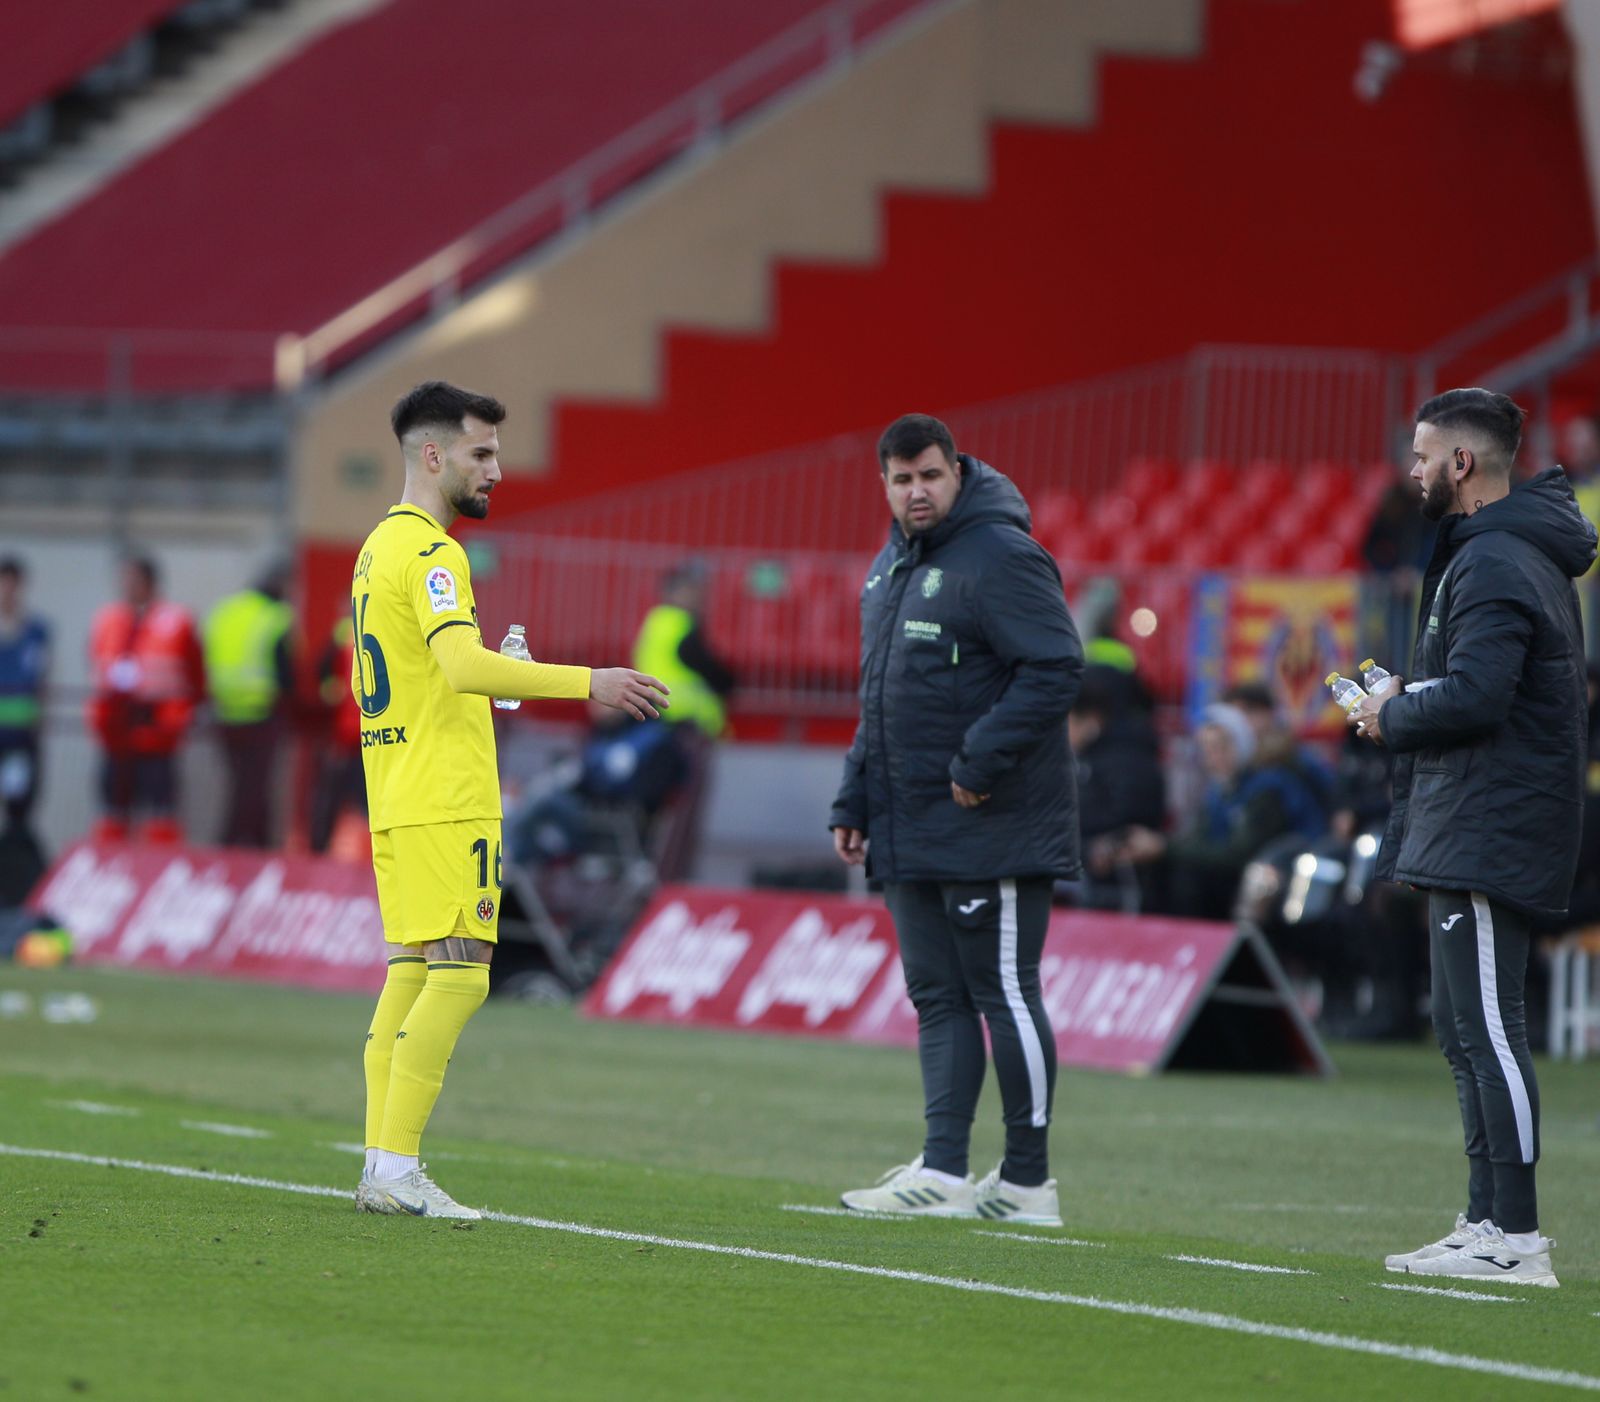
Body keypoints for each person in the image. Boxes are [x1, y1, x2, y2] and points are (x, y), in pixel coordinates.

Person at [353, 380, 667, 1220]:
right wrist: (588, 681)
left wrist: (491, 682)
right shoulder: (434, 553)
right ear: (433, 455)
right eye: (480, 453)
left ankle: (380, 1162)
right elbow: (460, 666)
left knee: (412, 974)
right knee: (459, 977)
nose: (496, 470)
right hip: (448, 798)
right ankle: (395, 1167)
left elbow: (431, 676)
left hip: (395, 790)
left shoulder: (376, 550)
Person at [1348, 388, 1595, 1288]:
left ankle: (1518, 1237)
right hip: (1473, 814)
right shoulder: (1494, 553)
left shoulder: (1494, 559)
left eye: (1422, 456)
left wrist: (1395, 708)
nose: (1411, 472)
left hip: (1492, 818)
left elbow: (1480, 696)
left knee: (1488, 1030)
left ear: (1463, 464)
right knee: (1463, 1031)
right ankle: (1485, 1216)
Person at [829, 413, 1082, 1225]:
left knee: (1004, 992)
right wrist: (854, 794)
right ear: (885, 484)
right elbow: (882, 696)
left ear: (957, 472)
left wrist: (979, 760)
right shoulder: (890, 566)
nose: (916, 492)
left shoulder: (1003, 554)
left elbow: (1055, 667)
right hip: (910, 823)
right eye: (901, 480)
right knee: (937, 997)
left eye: (929, 476)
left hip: (991, 819)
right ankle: (941, 1171)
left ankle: (1027, 1183)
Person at [1116, 702, 1300, 920]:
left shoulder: (1264, 789)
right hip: (1232, 876)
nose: (1214, 758)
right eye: (1207, 750)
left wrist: (1165, 847)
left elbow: (1238, 854)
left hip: (1272, 876)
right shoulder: (1220, 790)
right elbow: (1198, 837)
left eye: (1222, 747)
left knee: (1188, 875)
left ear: (1242, 744)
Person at [87, 555, 206, 843]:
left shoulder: (177, 621)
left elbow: (195, 672)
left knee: (160, 812)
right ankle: (111, 871)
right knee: (114, 809)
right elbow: (96, 663)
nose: (126, 586)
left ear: (150, 582)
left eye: (133, 579)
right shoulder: (108, 621)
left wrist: (183, 714)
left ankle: (156, 873)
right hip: (117, 731)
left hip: (159, 733)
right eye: (123, 579)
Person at [632, 559, 736, 880]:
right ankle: (667, 879)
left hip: (661, 724)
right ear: (675, 592)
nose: (700, 597)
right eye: (693, 589)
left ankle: (654, 871)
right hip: (681, 730)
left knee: (663, 811)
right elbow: (717, 674)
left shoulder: (657, 623)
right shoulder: (679, 625)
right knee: (681, 817)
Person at [203, 563, 295, 847]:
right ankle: (242, 847)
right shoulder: (275, 617)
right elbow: (285, 672)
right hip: (259, 714)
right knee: (253, 790)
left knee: (240, 788)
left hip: (224, 714)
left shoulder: (225, 611)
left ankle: (245, 845)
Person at [1070, 668, 1165, 911]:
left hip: (1120, 886)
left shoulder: (1126, 760)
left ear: (1090, 720)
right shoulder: (1092, 758)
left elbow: (1128, 821)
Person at [0, 557, 49, 842]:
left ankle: (12, 873)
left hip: (19, 738)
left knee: (18, 805)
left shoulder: (36, 632)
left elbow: (42, 680)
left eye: (12, 582)